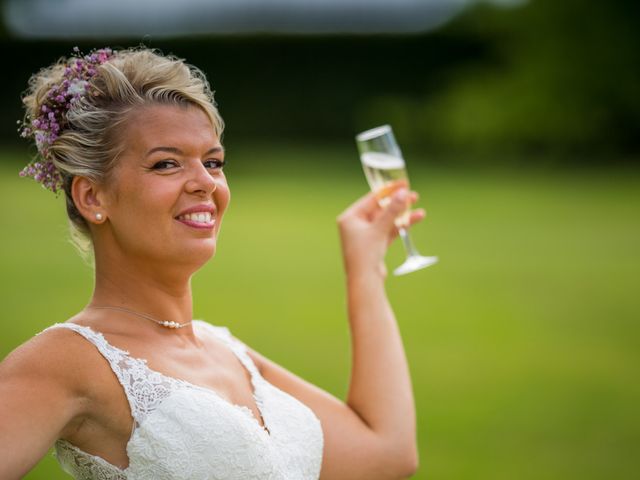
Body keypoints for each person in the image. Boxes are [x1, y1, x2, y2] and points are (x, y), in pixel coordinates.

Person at [0, 46, 423, 480]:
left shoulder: (229, 353)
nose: (205, 182)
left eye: (213, 162)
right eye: (166, 164)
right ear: (93, 197)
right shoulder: (65, 361)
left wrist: (365, 270)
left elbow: (387, 455)